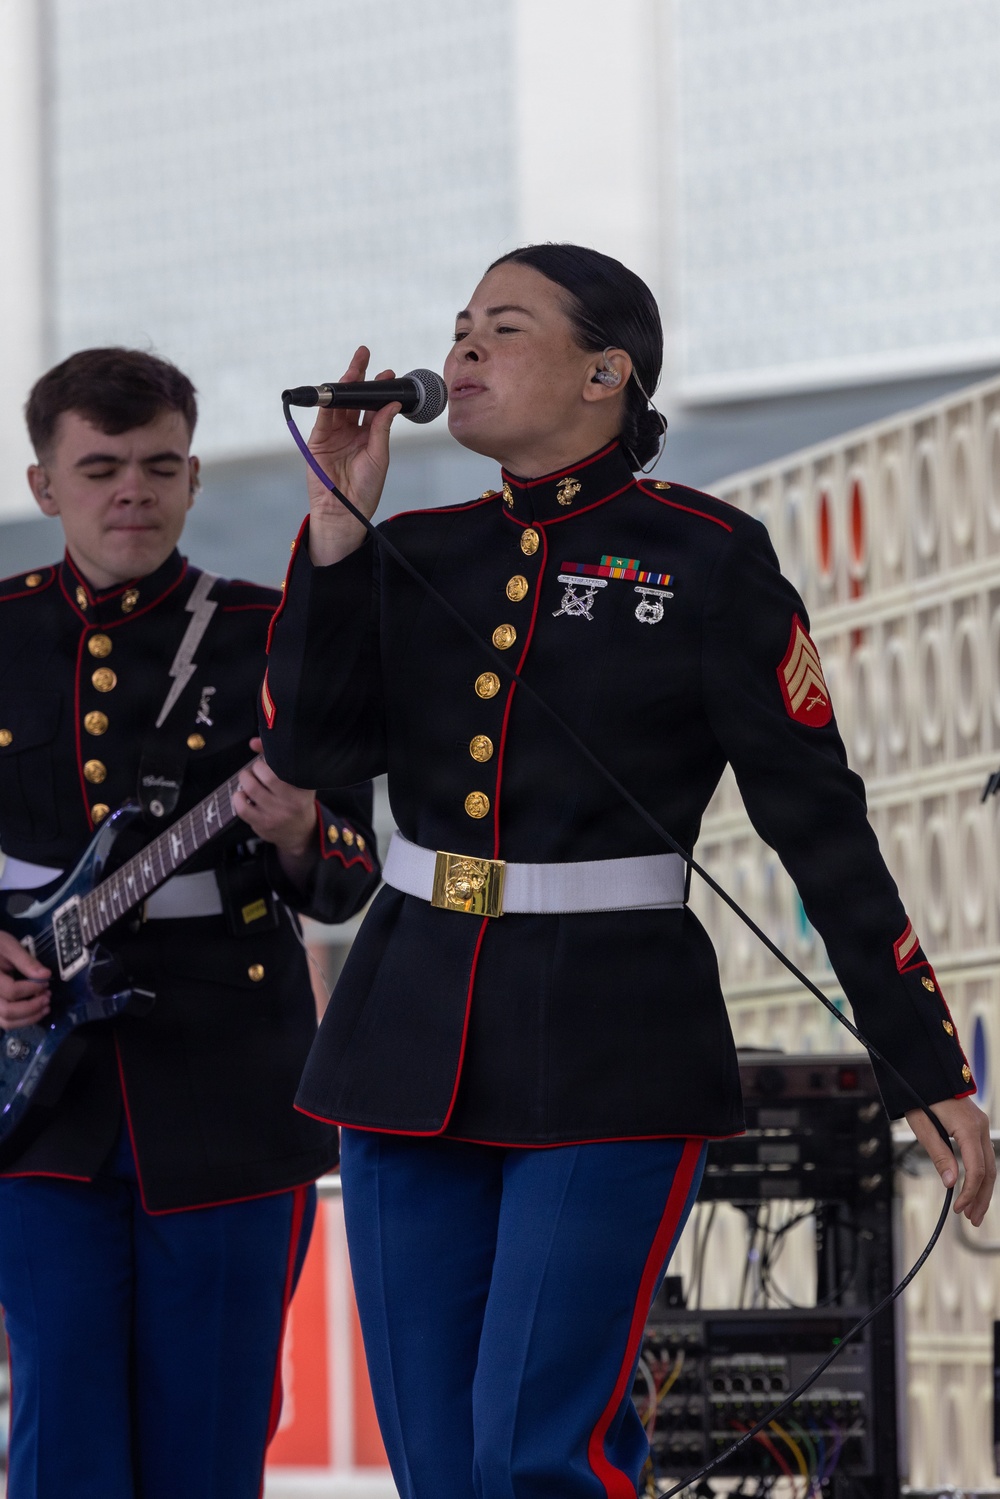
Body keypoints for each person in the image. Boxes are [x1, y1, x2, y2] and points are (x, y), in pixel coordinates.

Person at [259, 244, 995, 1499]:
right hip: (405, 1031)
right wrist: (336, 528)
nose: (462, 351)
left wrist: (924, 1059)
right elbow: (314, 751)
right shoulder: (411, 548)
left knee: (533, 1450)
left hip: (609, 1037)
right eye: (458, 328)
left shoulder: (707, 556)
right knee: (441, 1459)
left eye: (504, 327)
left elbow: (818, 824)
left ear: (607, 371)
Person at [0, 348, 380, 1499]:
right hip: (34, 1103)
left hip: (231, 1084)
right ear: (43, 483)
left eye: (159, 466)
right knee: (63, 1421)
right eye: (101, 466)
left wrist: (303, 829)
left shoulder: (273, 630)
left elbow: (348, 867)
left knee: (210, 1428)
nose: (133, 491)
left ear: (196, 477)